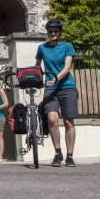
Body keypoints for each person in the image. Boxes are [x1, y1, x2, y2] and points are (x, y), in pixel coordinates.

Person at [35, 18, 78, 167]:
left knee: (68, 122)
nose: (53, 33)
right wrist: (35, 78)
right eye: (50, 31)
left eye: (55, 31)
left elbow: (67, 68)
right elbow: (37, 67)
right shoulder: (42, 48)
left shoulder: (67, 46)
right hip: (50, 89)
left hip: (67, 87)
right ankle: (58, 153)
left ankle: (70, 156)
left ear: (60, 33)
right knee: (52, 119)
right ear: (47, 32)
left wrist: (55, 78)